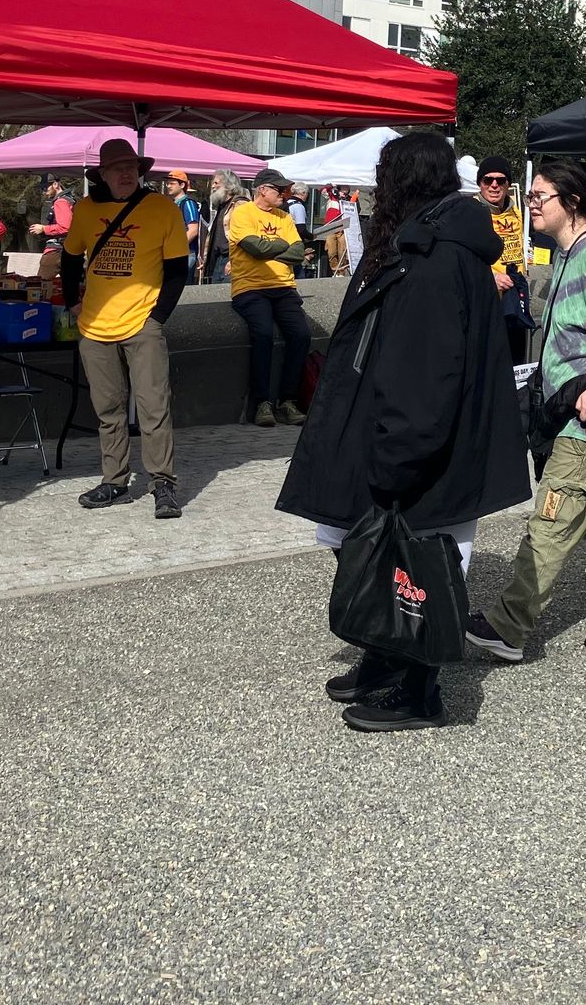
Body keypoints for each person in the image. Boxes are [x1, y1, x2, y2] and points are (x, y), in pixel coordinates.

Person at [277, 133, 528, 732]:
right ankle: (385, 658)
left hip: (417, 437)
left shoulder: (435, 255)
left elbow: (428, 367)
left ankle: (419, 689)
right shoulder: (420, 243)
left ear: (401, 183)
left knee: (418, 564)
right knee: (376, 550)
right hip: (394, 426)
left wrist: (399, 453)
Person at [466, 160, 586, 662]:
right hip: (573, 410)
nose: (530, 202)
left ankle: (508, 627)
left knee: (551, 519)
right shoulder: (566, 254)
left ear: (571, 203)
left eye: (540, 196)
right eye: (529, 195)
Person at [62, 138, 192, 519]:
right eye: (117, 168)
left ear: (140, 171)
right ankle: (115, 480)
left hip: (142, 321)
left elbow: (177, 272)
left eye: (131, 168)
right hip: (95, 326)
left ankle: (162, 483)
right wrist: (73, 303)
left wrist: (157, 319)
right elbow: (69, 261)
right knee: (108, 409)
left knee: (154, 407)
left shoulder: (162, 208)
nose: (125, 174)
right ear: (101, 174)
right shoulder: (85, 209)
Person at [230, 169, 312, 426]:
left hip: (284, 287)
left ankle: (287, 401)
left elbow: (298, 252)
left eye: (286, 190)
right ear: (262, 190)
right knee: (263, 334)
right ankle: (262, 402)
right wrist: (280, 247)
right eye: (279, 190)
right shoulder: (242, 213)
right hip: (250, 288)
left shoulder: (285, 217)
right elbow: (254, 248)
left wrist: (270, 250)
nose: (284, 194)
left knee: (301, 334)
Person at [474, 155, 532, 364]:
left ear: (508, 184)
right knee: (489, 360)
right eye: (487, 180)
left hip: (515, 294)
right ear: (480, 183)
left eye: (501, 180)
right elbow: (463, 258)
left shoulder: (516, 209)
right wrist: (491, 277)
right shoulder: (471, 212)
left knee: (515, 360)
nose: (494, 186)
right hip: (487, 298)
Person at [202, 171, 244, 284]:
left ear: (228, 185)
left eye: (216, 183)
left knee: (227, 295)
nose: (213, 186)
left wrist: (232, 260)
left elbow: (243, 236)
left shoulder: (239, 205)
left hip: (231, 259)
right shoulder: (221, 206)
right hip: (218, 259)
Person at [163, 170, 204, 271]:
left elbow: (193, 230)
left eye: (172, 183)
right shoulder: (172, 204)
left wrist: (176, 247)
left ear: (182, 185)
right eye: (167, 183)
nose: (168, 186)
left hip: (186, 253)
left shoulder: (188, 203)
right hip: (175, 253)